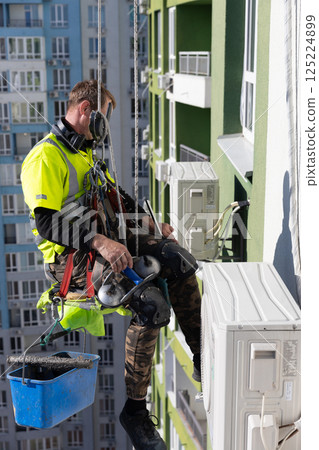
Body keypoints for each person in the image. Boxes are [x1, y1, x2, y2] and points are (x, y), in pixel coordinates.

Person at [21, 80, 202, 450]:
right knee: (151, 305)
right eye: (105, 117)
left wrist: (151, 225)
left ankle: (203, 356)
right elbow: (45, 221)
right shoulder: (46, 157)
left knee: (177, 260)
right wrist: (98, 241)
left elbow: (114, 198)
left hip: (109, 239)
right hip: (73, 259)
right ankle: (135, 411)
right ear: (86, 110)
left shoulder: (85, 154)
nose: (105, 128)